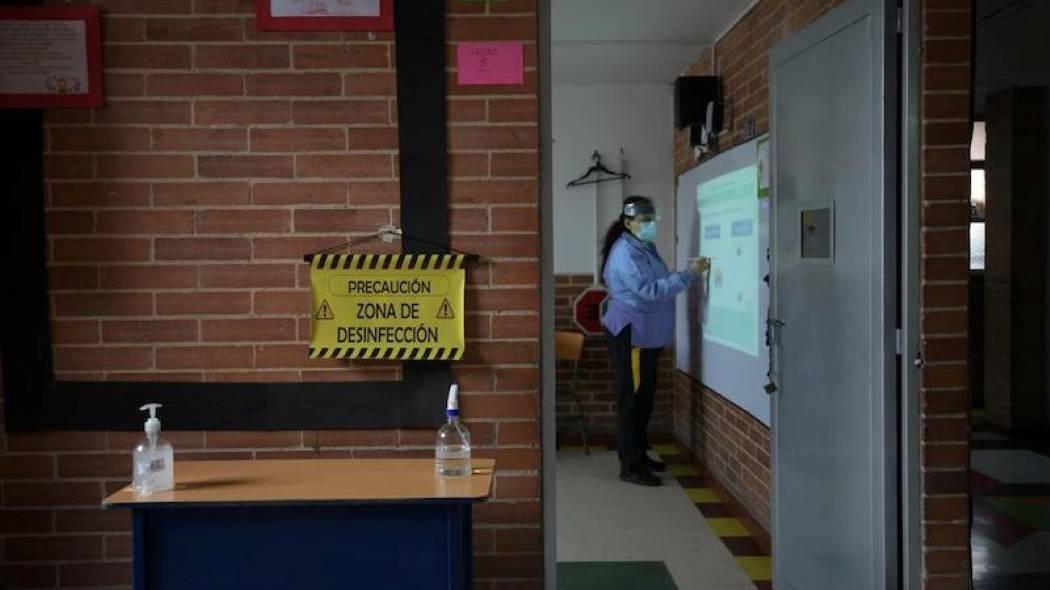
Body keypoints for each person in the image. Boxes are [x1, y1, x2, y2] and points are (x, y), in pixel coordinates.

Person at [601, 196, 708, 486]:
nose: (649, 225)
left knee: (643, 398)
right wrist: (689, 275)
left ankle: (640, 453)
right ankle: (630, 465)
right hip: (631, 334)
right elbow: (648, 290)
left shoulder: (642, 246)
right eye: (643, 220)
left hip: (645, 334)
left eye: (651, 220)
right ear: (628, 222)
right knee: (632, 399)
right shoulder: (626, 251)